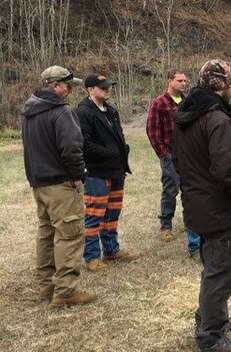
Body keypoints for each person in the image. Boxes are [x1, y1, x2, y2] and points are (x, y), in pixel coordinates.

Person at [173, 59, 231, 352]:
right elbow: (227, 170)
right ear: (225, 86)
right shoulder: (218, 119)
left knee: (214, 266)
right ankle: (210, 337)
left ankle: (213, 318)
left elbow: (179, 162)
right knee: (222, 273)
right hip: (218, 209)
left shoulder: (189, 114)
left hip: (200, 205)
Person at [21, 65, 96, 308]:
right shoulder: (61, 111)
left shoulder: (29, 110)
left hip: (39, 183)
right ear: (55, 86)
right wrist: (77, 175)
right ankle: (65, 292)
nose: (70, 88)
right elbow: (73, 148)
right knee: (69, 234)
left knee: (46, 232)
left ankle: (46, 285)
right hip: (60, 184)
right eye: (67, 84)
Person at [76, 73, 139, 272]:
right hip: (97, 172)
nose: (108, 89)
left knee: (112, 213)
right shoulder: (83, 112)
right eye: (103, 87)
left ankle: (111, 250)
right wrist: (109, 153)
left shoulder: (111, 111)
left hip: (117, 171)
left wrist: (123, 150)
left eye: (108, 86)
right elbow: (83, 144)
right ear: (90, 90)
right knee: (94, 215)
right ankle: (92, 257)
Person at [147, 69, 202, 261]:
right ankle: (166, 225)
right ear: (170, 81)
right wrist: (163, 153)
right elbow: (153, 131)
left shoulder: (188, 102)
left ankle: (191, 221)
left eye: (185, 81)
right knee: (170, 189)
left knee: (190, 189)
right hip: (170, 154)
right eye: (179, 80)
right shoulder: (159, 103)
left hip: (187, 155)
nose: (183, 84)